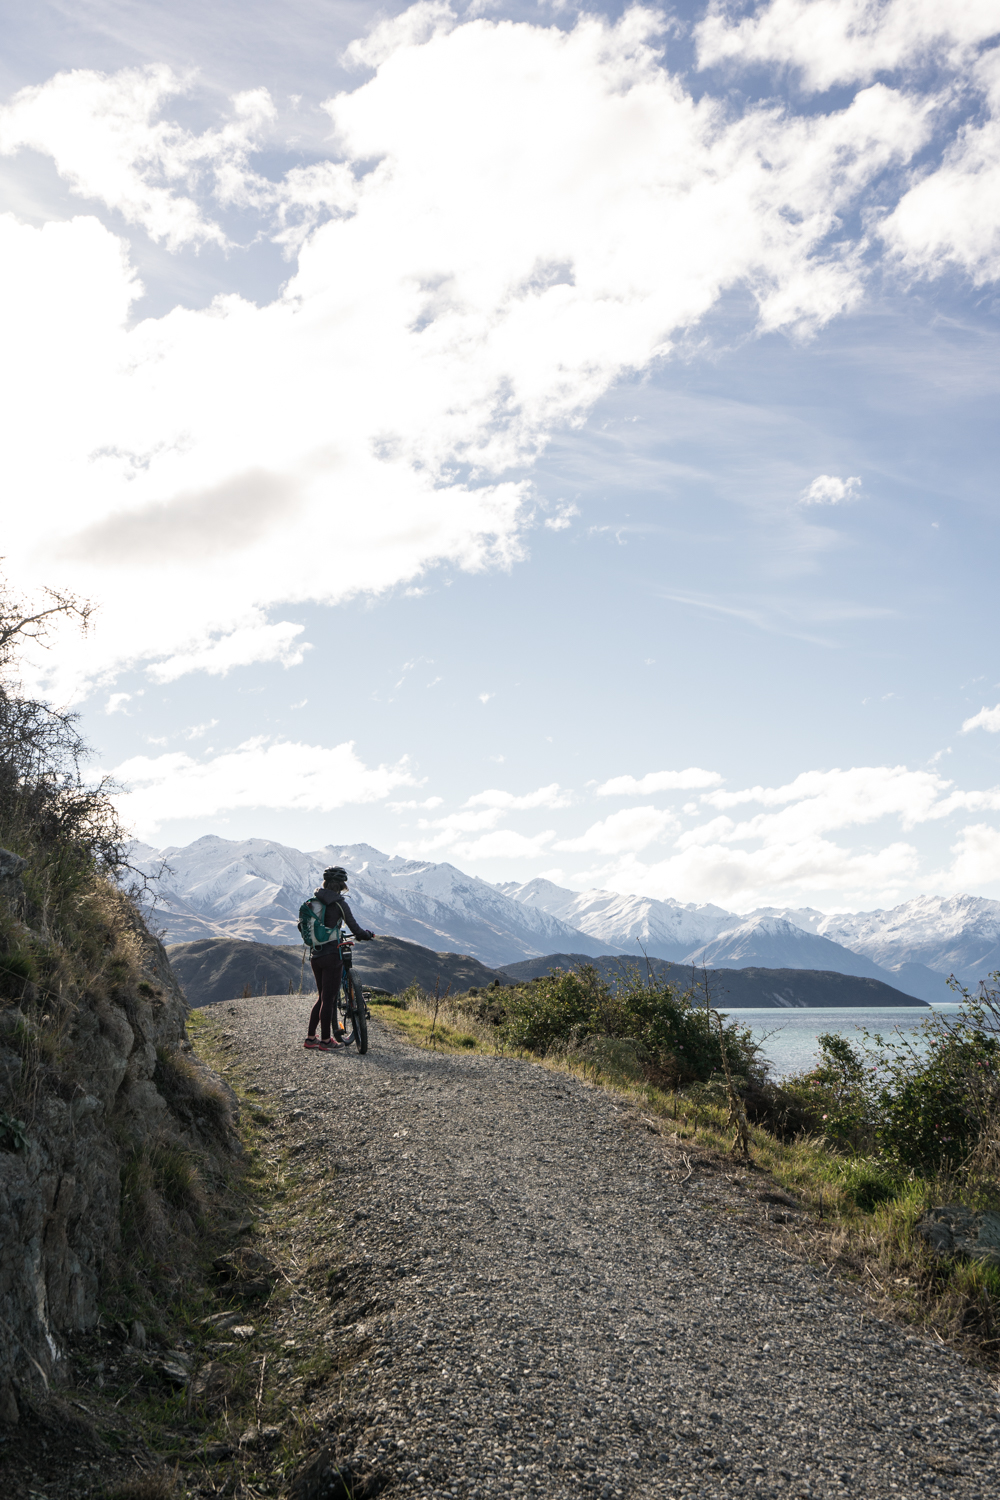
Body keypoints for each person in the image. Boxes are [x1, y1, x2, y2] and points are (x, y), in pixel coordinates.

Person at [304, 866, 374, 1051]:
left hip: (316, 954)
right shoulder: (339, 903)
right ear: (342, 885)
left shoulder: (312, 902)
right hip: (332, 955)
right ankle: (326, 1041)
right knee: (329, 999)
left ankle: (311, 1038)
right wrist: (366, 935)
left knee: (322, 997)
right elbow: (355, 928)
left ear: (325, 883)